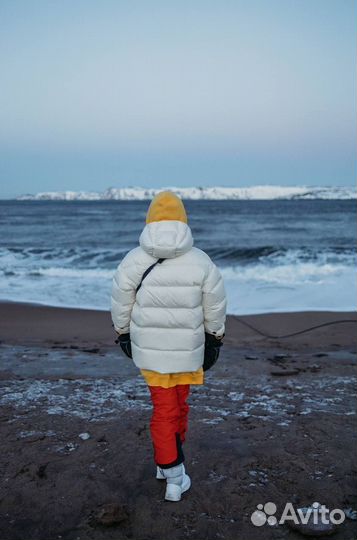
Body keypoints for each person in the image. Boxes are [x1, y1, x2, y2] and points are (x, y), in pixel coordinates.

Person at [111, 191, 226, 502]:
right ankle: (174, 474)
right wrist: (215, 338)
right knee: (175, 407)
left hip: (149, 351)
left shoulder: (133, 260)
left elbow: (121, 302)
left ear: (149, 220)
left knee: (166, 408)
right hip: (187, 351)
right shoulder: (200, 260)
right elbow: (214, 306)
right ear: (183, 220)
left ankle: (168, 462)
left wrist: (122, 333)